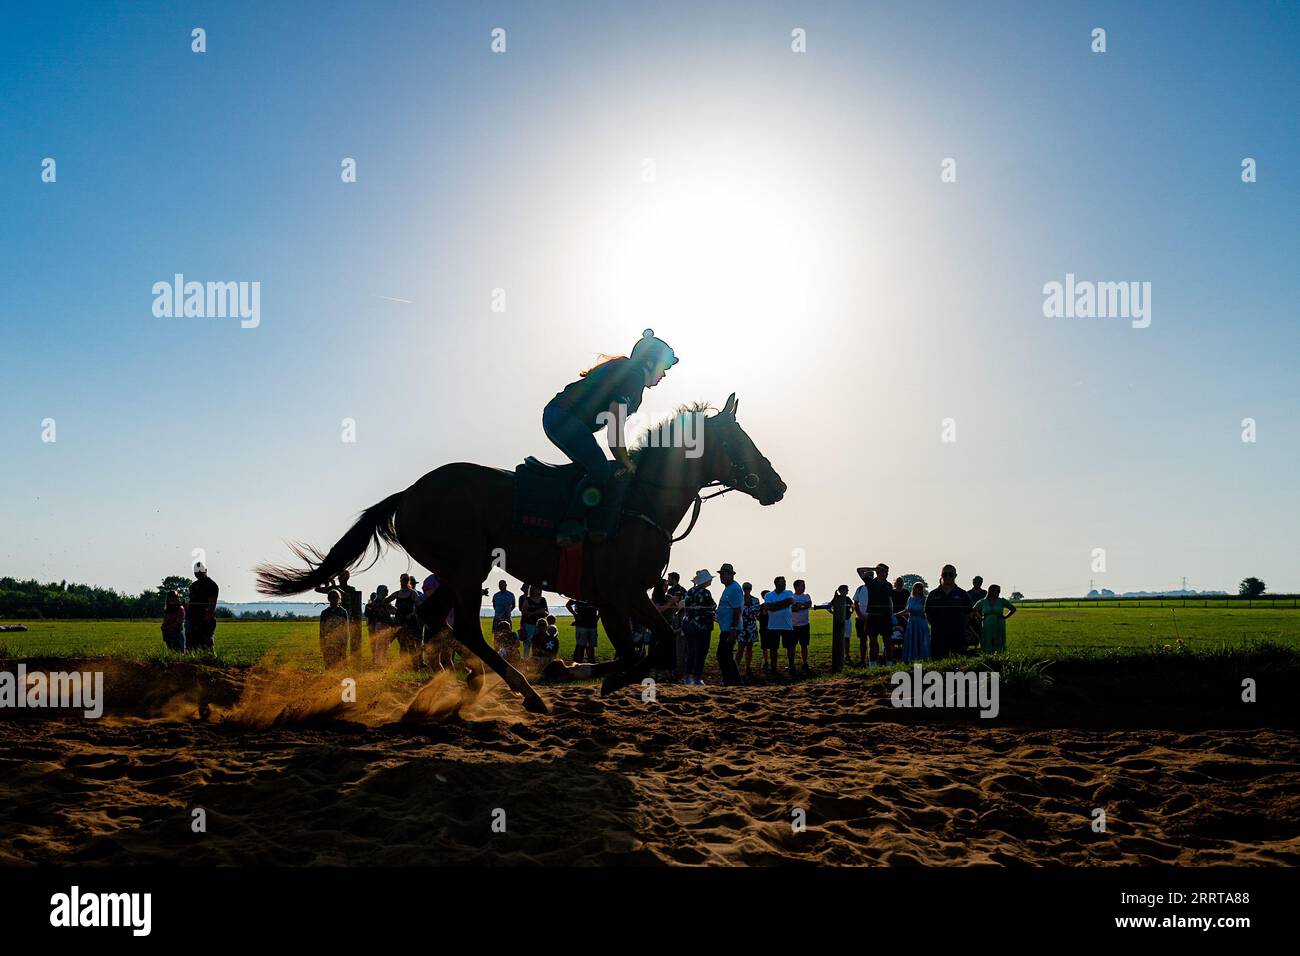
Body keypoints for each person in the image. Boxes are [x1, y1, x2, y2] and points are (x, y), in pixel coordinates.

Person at [542, 330, 678, 544]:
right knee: (600, 469)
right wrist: (625, 461)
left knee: (594, 469)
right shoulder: (633, 376)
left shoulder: (632, 377)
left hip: (562, 418)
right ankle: (570, 525)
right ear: (650, 363)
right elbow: (615, 424)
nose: (665, 374)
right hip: (563, 418)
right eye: (664, 367)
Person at [924, 565, 969, 660]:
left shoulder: (962, 594)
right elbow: (927, 612)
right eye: (945, 574)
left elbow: (968, 613)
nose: (947, 577)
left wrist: (962, 625)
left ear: (955, 575)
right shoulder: (933, 594)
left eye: (950, 574)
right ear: (941, 575)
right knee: (937, 663)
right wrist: (934, 625)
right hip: (938, 635)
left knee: (958, 664)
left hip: (957, 634)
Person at [679, 569, 716, 686]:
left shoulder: (690, 591)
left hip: (688, 625)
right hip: (701, 627)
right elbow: (712, 606)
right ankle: (696, 677)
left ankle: (687, 677)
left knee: (690, 652)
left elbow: (686, 605)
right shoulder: (705, 593)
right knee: (701, 652)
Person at [315, 569, 362, 661]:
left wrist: (333, 586)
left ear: (347, 577)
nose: (340, 577)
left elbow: (347, 596)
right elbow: (317, 589)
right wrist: (324, 580)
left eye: (342, 575)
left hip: (344, 618)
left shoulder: (350, 589)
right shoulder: (333, 588)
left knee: (344, 648)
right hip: (332, 620)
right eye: (340, 575)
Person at [714, 563, 744, 686]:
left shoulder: (734, 589)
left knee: (722, 655)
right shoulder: (730, 588)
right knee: (726, 655)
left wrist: (733, 628)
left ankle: (729, 681)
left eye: (725, 574)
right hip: (728, 627)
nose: (722, 576)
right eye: (721, 574)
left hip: (730, 628)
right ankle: (735, 681)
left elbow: (737, 610)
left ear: (731, 575)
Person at [763, 576, 796, 677]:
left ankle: (791, 665)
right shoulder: (768, 595)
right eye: (783, 582)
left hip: (787, 626)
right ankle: (773, 667)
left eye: (785, 582)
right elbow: (769, 607)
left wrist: (774, 605)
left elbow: (789, 601)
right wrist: (782, 604)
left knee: (790, 647)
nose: (785, 584)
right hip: (773, 626)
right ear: (776, 584)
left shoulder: (789, 592)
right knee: (773, 648)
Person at [864, 562, 896, 665]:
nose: (885, 574)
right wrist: (874, 568)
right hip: (873, 616)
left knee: (888, 642)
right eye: (883, 571)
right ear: (878, 572)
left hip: (885, 616)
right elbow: (859, 570)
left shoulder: (889, 585)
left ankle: (889, 665)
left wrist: (891, 615)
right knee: (872, 642)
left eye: (887, 572)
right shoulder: (871, 582)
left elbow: (890, 601)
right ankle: (872, 665)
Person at [186, 561, 219, 652]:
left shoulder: (212, 586)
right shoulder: (193, 586)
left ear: (206, 571)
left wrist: (207, 619)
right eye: (197, 572)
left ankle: (210, 662)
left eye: (200, 572)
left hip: (205, 619)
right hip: (193, 619)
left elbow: (212, 606)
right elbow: (191, 603)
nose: (198, 574)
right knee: (191, 645)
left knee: (206, 644)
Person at [975, 584, 1016, 653]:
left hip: (999, 624)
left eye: (999, 591)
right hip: (987, 624)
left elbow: (1013, 609)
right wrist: (980, 617)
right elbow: (974, 609)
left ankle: (1000, 655)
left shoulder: (1002, 601)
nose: (999, 593)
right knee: (987, 639)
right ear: (991, 591)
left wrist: (1005, 616)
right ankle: (987, 655)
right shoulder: (983, 601)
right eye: (997, 591)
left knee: (999, 639)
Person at [663, 571, 687, 677]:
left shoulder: (681, 591)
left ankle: (678, 670)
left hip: (678, 620)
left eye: (669, 578)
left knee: (679, 648)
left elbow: (683, 607)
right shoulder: (671, 591)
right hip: (671, 621)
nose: (668, 581)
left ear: (675, 579)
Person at [900, 581, 930, 662]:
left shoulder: (924, 599)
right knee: (911, 640)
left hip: (920, 622)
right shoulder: (910, 599)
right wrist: (896, 614)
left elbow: (925, 612)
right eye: (917, 587)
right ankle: (911, 658)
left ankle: (922, 658)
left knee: (921, 640)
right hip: (912, 622)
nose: (919, 589)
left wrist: (914, 612)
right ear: (914, 588)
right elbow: (906, 610)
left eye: (920, 587)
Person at [318, 589, 350, 666]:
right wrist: (322, 644)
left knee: (339, 665)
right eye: (332, 597)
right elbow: (321, 630)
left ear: (339, 598)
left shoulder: (343, 612)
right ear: (328, 599)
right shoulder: (324, 613)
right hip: (328, 643)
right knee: (329, 665)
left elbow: (346, 628)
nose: (334, 599)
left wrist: (344, 643)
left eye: (335, 597)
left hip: (339, 643)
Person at [738, 582, 761, 681]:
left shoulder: (755, 600)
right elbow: (745, 611)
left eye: (748, 588)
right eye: (745, 588)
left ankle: (748, 667)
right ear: (743, 589)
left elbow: (755, 612)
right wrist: (750, 610)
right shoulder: (739, 599)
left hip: (751, 627)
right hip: (742, 627)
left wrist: (747, 610)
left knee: (749, 648)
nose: (747, 589)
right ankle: (736, 667)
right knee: (740, 648)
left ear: (751, 589)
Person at [790, 579, 814, 675]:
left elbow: (809, 604)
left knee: (804, 645)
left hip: (805, 624)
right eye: (802, 585)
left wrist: (800, 606)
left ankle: (804, 662)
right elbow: (792, 608)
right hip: (793, 626)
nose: (804, 587)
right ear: (796, 587)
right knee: (792, 646)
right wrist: (801, 606)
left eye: (804, 585)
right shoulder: (791, 597)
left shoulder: (806, 596)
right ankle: (791, 664)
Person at [518, 584, 549, 659]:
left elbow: (547, 612)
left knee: (538, 643)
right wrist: (536, 612)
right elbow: (523, 612)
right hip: (529, 624)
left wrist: (543, 613)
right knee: (528, 643)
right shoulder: (528, 599)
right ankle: (525, 660)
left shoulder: (543, 599)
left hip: (540, 625)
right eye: (535, 588)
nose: (537, 590)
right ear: (532, 589)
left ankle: (536, 660)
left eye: (538, 588)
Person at [851, 568, 874, 666]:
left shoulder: (875, 589)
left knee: (873, 640)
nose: (870, 578)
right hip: (860, 618)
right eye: (868, 576)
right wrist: (860, 615)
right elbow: (855, 603)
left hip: (873, 618)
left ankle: (873, 661)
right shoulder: (860, 589)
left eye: (871, 576)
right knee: (862, 641)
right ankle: (863, 660)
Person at [566, 598, 600, 664]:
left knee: (588, 647)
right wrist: (575, 614)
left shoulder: (592, 596)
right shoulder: (579, 596)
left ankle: (589, 665)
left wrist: (598, 617)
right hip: (584, 626)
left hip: (590, 625)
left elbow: (568, 605)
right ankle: (580, 665)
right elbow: (568, 605)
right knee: (582, 647)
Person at [367, 584, 394, 666]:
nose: (387, 593)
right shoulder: (378, 602)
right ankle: (379, 663)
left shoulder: (381, 602)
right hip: (381, 625)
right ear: (380, 592)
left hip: (384, 625)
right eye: (386, 591)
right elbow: (385, 613)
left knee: (384, 645)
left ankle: (382, 663)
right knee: (381, 645)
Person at [966, 575, 988, 652]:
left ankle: (983, 648)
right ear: (973, 582)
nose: (977, 583)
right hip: (971, 617)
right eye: (975, 582)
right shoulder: (968, 593)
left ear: (981, 583)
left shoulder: (985, 593)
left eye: (979, 582)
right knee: (972, 632)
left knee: (983, 632)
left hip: (983, 616)